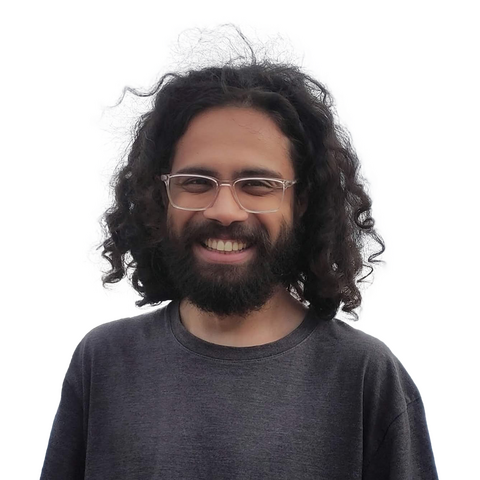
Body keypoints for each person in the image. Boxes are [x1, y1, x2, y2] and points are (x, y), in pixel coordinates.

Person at [38, 22, 440, 479]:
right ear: (160, 196)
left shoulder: (367, 377)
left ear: (301, 202)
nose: (225, 210)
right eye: (196, 182)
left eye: (257, 184)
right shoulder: (101, 362)